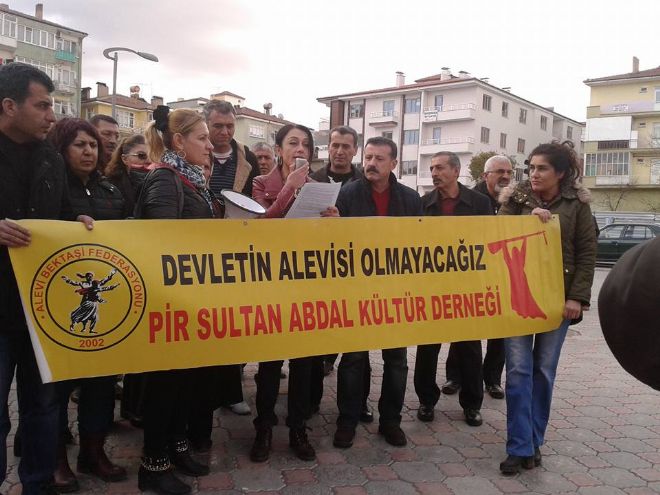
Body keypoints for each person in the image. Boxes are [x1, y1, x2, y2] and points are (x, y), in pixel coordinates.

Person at [0, 62, 93, 495]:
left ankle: (36, 484)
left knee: (42, 405)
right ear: (8, 106)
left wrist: (75, 222)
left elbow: (53, 218)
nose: (51, 116)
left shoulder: (51, 158)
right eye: (42, 106)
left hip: (40, 310)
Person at [497, 141, 596, 474]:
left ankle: (534, 442)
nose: (534, 174)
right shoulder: (514, 201)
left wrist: (577, 298)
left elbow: (586, 253)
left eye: (542, 168)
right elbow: (497, 239)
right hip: (519, 298)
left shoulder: (578, 205)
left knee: (542, 371)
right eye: (531, 167)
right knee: (519, 372)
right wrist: (528, 222)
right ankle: (519, 446)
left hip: (558, 302)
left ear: (561, 173)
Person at [136, 106, 216, 495]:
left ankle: (177, 445)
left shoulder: (191, 181)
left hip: (191, 303)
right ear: (179, 142)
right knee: (165, 385)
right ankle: (153, 463)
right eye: (201, 138)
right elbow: (160, 247)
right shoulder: (166, 181)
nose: (210, 144)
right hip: (169, 305)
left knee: (185, 382)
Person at [48, 118, 129, 492]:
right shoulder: (49, 189)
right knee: (57, 387)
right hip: (58, 306)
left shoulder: (110, 188)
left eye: (93, 145)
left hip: (107, 306)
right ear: (62, 148)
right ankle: (55, 459)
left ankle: (93, 452)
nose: (88, 151)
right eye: (80, 145)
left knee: (99, 383)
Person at [333, 136, 422, 449]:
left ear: (394, 164)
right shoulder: (347, 194)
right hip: (356, 292)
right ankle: (347, 420)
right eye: (368, 157)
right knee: (353, 359)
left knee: (396, 361)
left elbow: (420, 248)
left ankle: (391, 422)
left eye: (379, 159)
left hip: (396, 294)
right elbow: (334, 245)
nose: (371, 163)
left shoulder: (411, 200)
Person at [249, 123, 325, 462]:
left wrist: (333, 221)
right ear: (279, 149)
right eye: (292, 142)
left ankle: (297, 427)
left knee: (305, 361)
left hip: (306, 284)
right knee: (269, 361)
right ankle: (263, 426)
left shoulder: (319, 187)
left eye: (305, 144)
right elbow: (260, 226)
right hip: (272, 284)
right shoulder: (261, 183)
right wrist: (288, 189)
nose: (299, 149)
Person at [414, 151, 491, 428]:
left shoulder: (480, 203)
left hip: (466, 289)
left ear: (456, 171)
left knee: (469, 350)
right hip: (431, 289)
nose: (434, 173)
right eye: (432, 168)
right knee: (427, 349)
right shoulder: (422, 204)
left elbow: (489, 243)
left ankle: (472, 405)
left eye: (441, 168)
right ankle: (426, 400)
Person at [307, 126, 372, 423]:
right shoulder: (312, 180)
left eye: (346, 146)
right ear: (328, 148)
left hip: (354, 273)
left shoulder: (366, 182)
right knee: (317, 346)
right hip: (318, 272)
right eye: (335, 145)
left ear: (355, 150)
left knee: (358, 347)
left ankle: (359, 403)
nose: (340, 151)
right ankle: (310, 400)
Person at [443, 155, 513, 401]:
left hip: (503, 274)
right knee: (463, 329)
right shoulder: (471, 200)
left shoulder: (517, 201)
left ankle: (492, 379)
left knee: (500, 331)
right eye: (499, 172)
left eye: (509, 172)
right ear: (486, 176)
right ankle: (455, 376)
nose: (505, 177)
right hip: (470, 275)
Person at [203, 100, 259, 198]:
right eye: (218, 126)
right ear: (206, 124)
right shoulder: (194, 156)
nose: (224, 132)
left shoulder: (249, 158)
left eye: (229, 126)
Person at [104, 134, 152, 213]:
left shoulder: (158, 183)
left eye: (152, 155)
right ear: (124, 159)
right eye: (142, 155)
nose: (148, 161)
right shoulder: (109, 187)